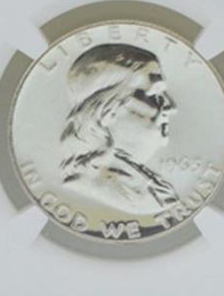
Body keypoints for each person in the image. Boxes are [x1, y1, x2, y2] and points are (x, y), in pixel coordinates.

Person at [57, 44, 181, 215]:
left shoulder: (141, 181)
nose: (171, 107)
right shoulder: (97, 184)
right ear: (107, 112)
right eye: (156, 94)